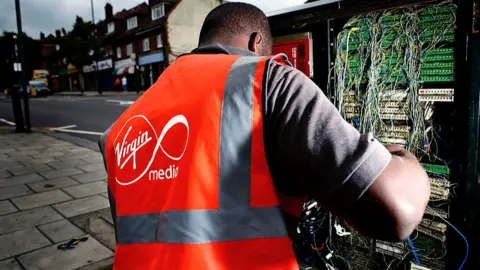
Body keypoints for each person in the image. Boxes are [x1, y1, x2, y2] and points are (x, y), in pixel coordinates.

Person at [98, 3, 430, 269]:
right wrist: (403, 156)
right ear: (258, 42)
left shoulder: (120, 128)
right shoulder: (265, 80)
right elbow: (399, 214)